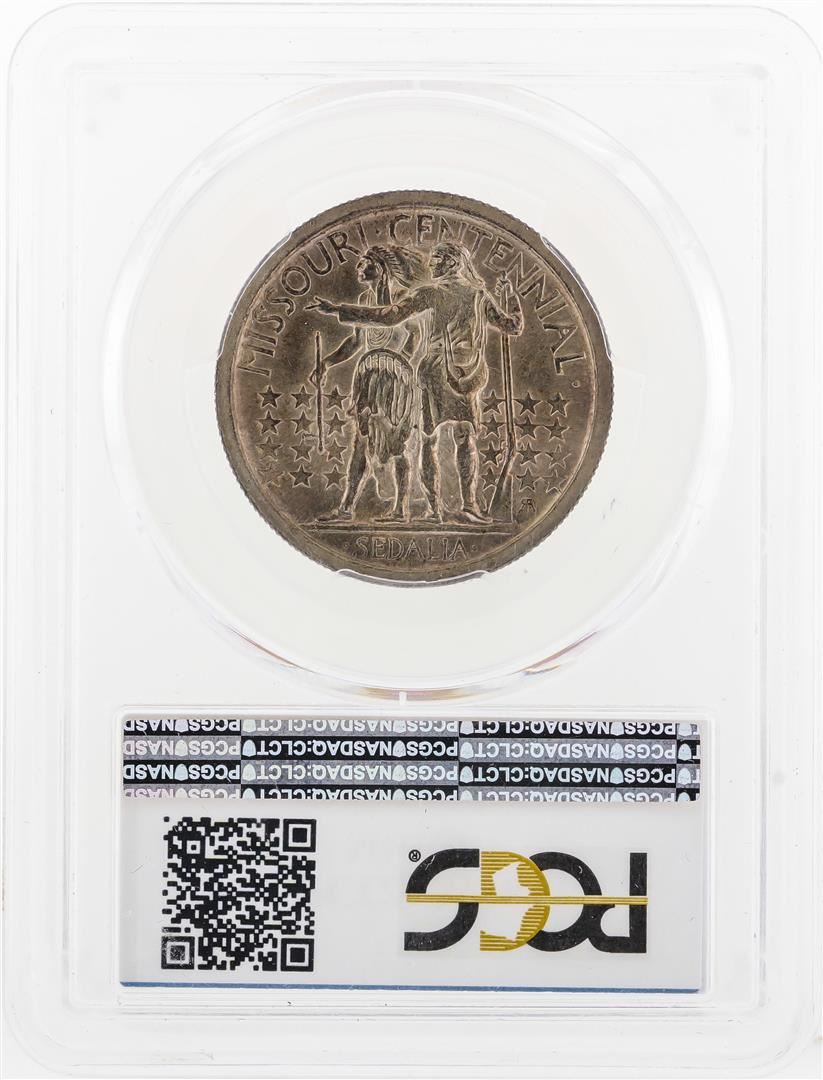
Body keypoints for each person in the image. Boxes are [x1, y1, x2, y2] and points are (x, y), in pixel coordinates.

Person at [312, 240, 523, 524]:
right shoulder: (477, 296)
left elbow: (390, 317)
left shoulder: (433, 293)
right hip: (463, 373)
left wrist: (339, 309)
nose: (431, 264)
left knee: (429, 440)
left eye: (437, 259)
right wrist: (513, 301)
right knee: (460, 437)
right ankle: (464, 506)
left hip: (437, 372)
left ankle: (439, 510)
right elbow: (513, 325)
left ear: (452, 263)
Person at [312, 245, 423, 521]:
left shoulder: (402, 297)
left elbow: (414, 335)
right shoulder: (365, 298)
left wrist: (400, 366)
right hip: (369, 374)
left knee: (398, 443)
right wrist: (328, 362)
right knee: (361, 441)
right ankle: (346, 507)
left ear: (381, 268)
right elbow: (356, 342)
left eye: (365, 264)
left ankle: (400, 509)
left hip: (396, 376)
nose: (359, 269)